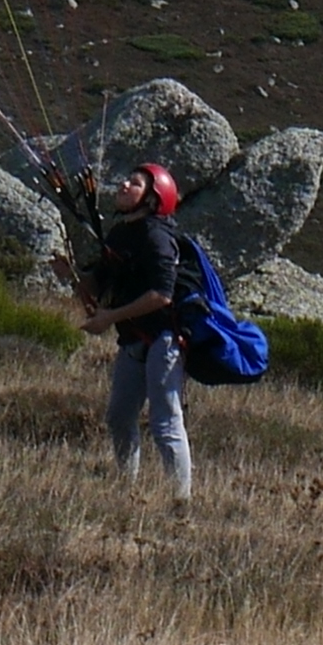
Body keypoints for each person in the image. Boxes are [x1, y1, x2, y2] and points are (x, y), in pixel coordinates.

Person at [74, 161, 194, 499]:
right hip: (132, 340)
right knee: (119, 417)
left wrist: (110, 317)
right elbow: (97, 287)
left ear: (154, 199)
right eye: (126, 180)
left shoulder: (157, 237)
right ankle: (125, 489)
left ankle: (180, 501)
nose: (124, 186)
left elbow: (162, 295)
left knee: (165, 421)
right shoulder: (119, 234)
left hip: (164, 340)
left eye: (135, 184)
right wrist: (70, 275)